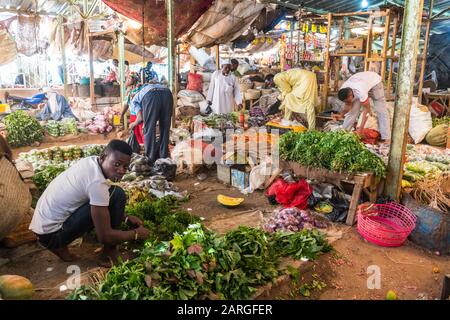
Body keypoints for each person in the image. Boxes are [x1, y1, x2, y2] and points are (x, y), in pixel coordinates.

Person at [29, 140, 150, 263]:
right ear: (103, 157)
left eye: (125, 167)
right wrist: (136, 234)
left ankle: (60, 247)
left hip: (43, 230)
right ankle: (109, 252)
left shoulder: (91, 161)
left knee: (110, 194)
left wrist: (125, 217)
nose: (121, 171)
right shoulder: (97, 184)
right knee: (117, 194)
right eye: (116, 164)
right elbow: (105, 236)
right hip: (52, 235)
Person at [336, 71, 391, 142]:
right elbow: (347, 105)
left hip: (375, 82)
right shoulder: (343, 89)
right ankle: (344, 134)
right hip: (363, 82)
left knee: (380, 110)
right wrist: (341, 115)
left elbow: (366, 111)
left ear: (350, 95)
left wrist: (360, 129)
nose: (347, 102)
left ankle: (386, 138)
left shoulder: (360, 92)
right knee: (352, 111)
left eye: (347, 100)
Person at [129, 82, 173, 164]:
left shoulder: (134, 99)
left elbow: (137, 113)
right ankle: (164, 157)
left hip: (151, 95)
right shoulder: (145, 89)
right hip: (167, 93)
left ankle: (150, 159)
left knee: (149, 128)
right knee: (165, 128)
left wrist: (136, 121)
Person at [120, 72, 144, 144]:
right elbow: (126, 104)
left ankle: (146, 149)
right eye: (127, 78)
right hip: (133, 115)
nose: (127, 80)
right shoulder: (129, 90)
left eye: (129, 78)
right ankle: (140, 148)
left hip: (141, 114)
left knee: (143, 133)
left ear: (135, 79)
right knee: (135, 134)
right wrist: (122, 114)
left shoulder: (141, 88)